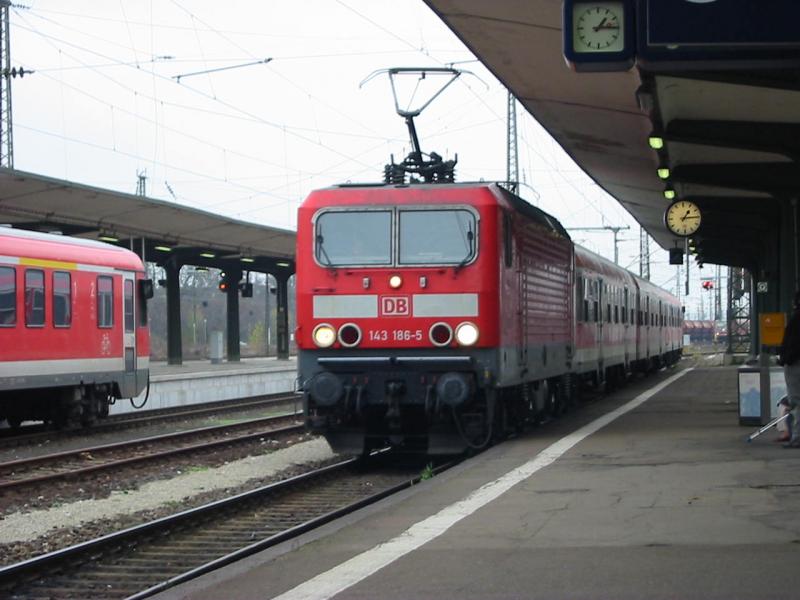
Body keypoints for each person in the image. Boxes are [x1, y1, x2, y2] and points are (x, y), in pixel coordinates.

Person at [778, 291, 800, 448]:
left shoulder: (796, 320)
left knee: (796, 401)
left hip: (795, 365)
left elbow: (793, 344)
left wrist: (785, 358)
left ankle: (797, 438)